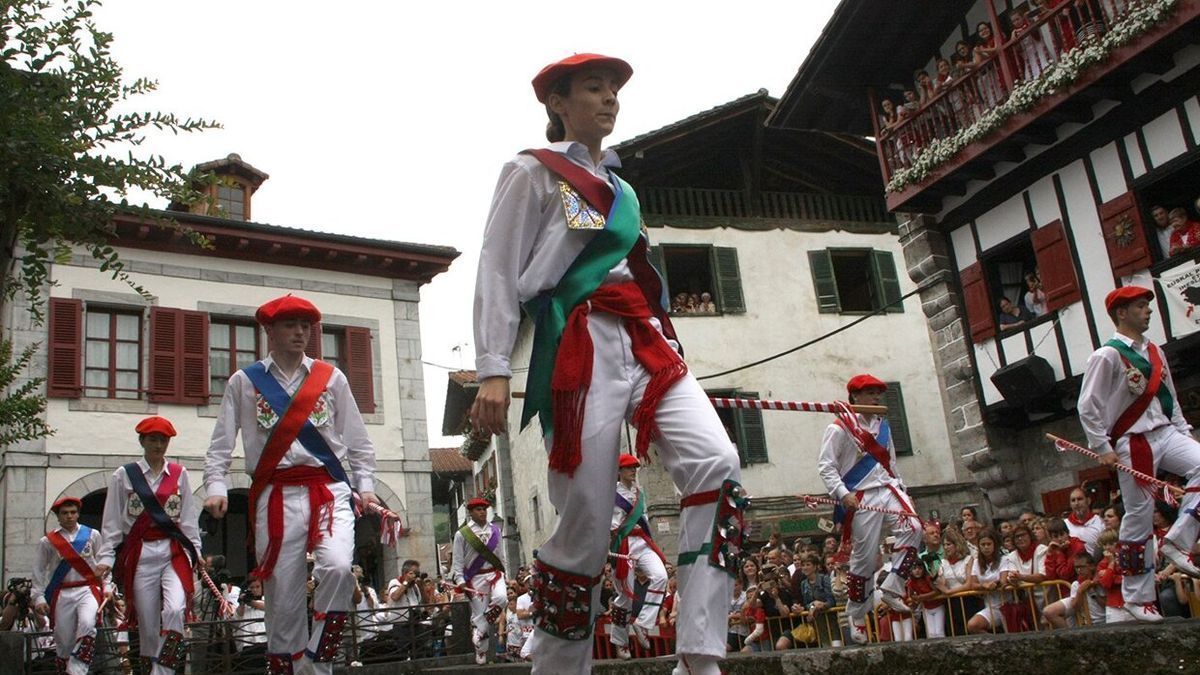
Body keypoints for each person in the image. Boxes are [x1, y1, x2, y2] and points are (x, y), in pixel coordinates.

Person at [468, 52, 744, 675]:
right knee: (588, 517)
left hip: (644, 338)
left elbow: (642, 276)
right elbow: (497, 267)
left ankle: (701, 657)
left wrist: (671, 341)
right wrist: (492, 365)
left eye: (614, 89)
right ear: (558, 103)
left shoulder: (624, 192)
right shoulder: (530, 173)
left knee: (717, 465)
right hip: (577, 339)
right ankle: (561, 668)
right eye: (594, 88)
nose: (610, 99)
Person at [203, 294, 380, 674]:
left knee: (335, 568)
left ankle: (316, 659)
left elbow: (358, 440)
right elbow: (220, 442)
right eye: (290, 325)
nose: (300, 332)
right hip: (274, 493)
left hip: (327, 487)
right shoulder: (244, 382)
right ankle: (289, 668)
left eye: (306, 326)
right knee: (282, 594)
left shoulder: (331, 378)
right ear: (269, 330)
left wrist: (365, 486)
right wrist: (216, 485)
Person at [1077, 286, 1200, 622]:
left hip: (1166, 432)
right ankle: (1137, 596)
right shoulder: (1107, 355)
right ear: (1121, 313)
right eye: (1141, 306)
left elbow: (1170, 398)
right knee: (1138, 517)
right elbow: (1088, 406)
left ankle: (1179, 539)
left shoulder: (1155, 352)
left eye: (1148, 306)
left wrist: (1184, 433)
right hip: (1132, 441)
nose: (1148, 311)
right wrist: (1102, 447)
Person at [817, 374, 921, 644]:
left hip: (888, 488)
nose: (876, 397)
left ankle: (892, 588)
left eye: (878, 392)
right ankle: (857, 613)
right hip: (860, 495)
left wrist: (903, 490)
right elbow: (826, 466)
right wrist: (843, 494)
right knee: (864, 557)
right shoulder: (839, 428)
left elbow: (893, 462)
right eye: (870, 392)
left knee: (915, 527)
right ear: (855, 397)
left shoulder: (883, 425)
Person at [95, 416, 201, 675]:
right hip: (140, 553)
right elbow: (111, 522)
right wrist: (107, 557)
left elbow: (188, 519)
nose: (158, 445)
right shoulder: (125, 475)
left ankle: (164, 669)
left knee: (176, 608)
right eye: (153, 439)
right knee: (148, 622)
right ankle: (152, 668)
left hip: (172, 551)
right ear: (142, 441)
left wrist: (196, 553)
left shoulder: (179, 474)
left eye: (163, 440)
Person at [31, 496, 105, 674]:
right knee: (63, 641)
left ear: (78, 514)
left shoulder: (93, 535)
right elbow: (38, 571)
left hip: (87, 589)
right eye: (65, 513)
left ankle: (77, 670)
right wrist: (39, 597)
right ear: (58, 516)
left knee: (87, 624)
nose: (69, 516)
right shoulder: (48, 541)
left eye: (73, 512)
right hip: (62, 593)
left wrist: (108, 587)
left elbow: (103, 563)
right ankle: (66, 669)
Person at [609, 454, 667, 659]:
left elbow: (643, 521)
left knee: (661, 576)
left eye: (634, 467)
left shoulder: (639, 492)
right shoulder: (610, 493)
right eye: (628, 468)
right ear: (619, 471)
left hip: (642, 544)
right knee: (625, 597)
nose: (633, 471)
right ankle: (620, 641)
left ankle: (643, 623)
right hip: (623, 546)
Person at [450, 498, 507, 665]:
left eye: (484, 509)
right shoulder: (462, 534)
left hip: (495, 574)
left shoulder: (495, 530)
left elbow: (501, 556)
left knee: (502, 598)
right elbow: (458, 561)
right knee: (479, 617)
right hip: (475, 579)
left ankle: (481, 626)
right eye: (478, 509)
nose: (482, 512)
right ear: (471, 512)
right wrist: (460, 580)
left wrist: (506, 574)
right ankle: (481, 651)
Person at [1065, 487, 1104, 556]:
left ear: (1088, 501)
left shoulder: (1100, 522)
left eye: (1080, 499)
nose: (1076, 503)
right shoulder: (1065, 524)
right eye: (1073, 500)